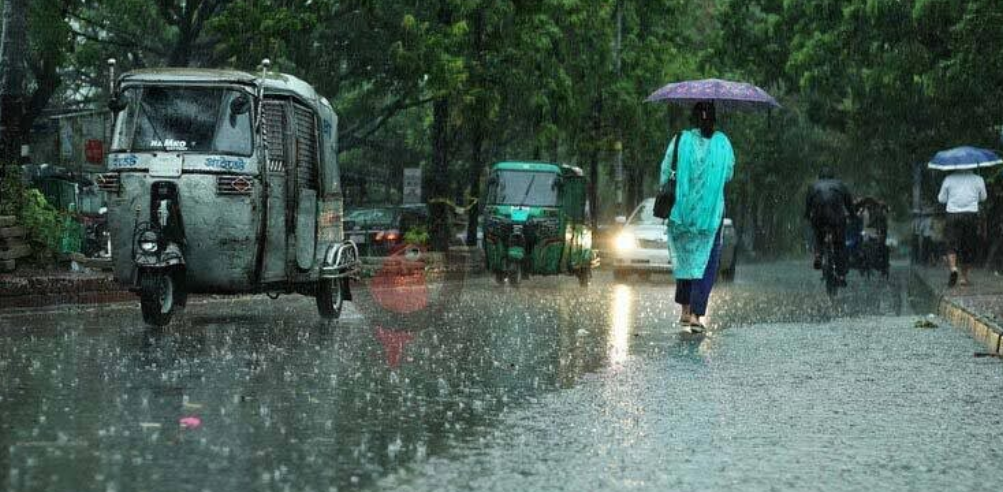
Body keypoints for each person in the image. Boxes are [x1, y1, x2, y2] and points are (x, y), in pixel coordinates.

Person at [660, 101, 734, 333]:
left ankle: (684, 309)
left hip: (682, 213)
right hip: (711, 216)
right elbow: (729, 173)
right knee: (707, 262)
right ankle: (695, 315)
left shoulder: (680, 140)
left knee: (686, 259)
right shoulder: (723, 143)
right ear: (715, 120)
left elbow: (665, 172)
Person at [804, 168, 854, 286]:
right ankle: (841, 275)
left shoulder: (813, 186)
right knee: (840, 244)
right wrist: (852, 215)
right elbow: (849, 204)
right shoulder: (840, 184)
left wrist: (807, 216)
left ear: (820, 176)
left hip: (819, 216)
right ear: (832, 176)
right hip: (836, 218)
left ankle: (818, 255)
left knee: (818, 235)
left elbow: (808, 205)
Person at [938, 169, 987, 286]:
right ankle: (964, 278)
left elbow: (941, 199)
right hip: (971, 214)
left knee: (951, 243)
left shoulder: (948, 179)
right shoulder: (978, 179)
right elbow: (983, 197)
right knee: (967, 245)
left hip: (953, 214)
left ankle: (954, 268)